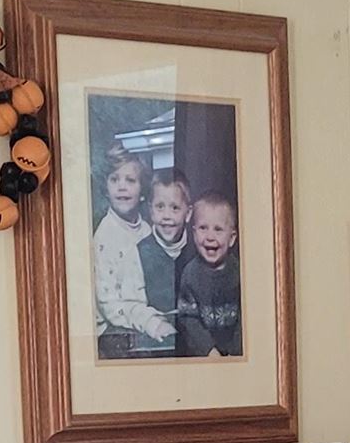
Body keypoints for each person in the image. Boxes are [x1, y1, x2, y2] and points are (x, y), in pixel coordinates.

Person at [91, 147, 172, 355]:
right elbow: (110, 306)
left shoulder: (146, 229)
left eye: (130, 180)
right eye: (114, 179)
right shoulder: (104, 238)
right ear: (106, 188)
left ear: (143, 192)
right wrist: (150, 322)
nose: (122, 187)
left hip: (144, 323)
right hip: (113, 333)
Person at [174, 196, 241, 357]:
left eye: (218, 229)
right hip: (204, 356)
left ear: (232, 238)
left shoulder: (239, 271)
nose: (210, 236)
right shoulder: (190, 274)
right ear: (194, 233)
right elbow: (188, 319)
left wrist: (237, 352)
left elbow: (247, 318)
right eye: (203, 228)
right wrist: (209, 351)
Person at [141, 170, 195, 338]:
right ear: (151, 211)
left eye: (175, 208)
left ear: (188, 213)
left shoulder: (198, 249)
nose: (166, 216)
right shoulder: (139, 252)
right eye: (160, 207)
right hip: (156, 336)